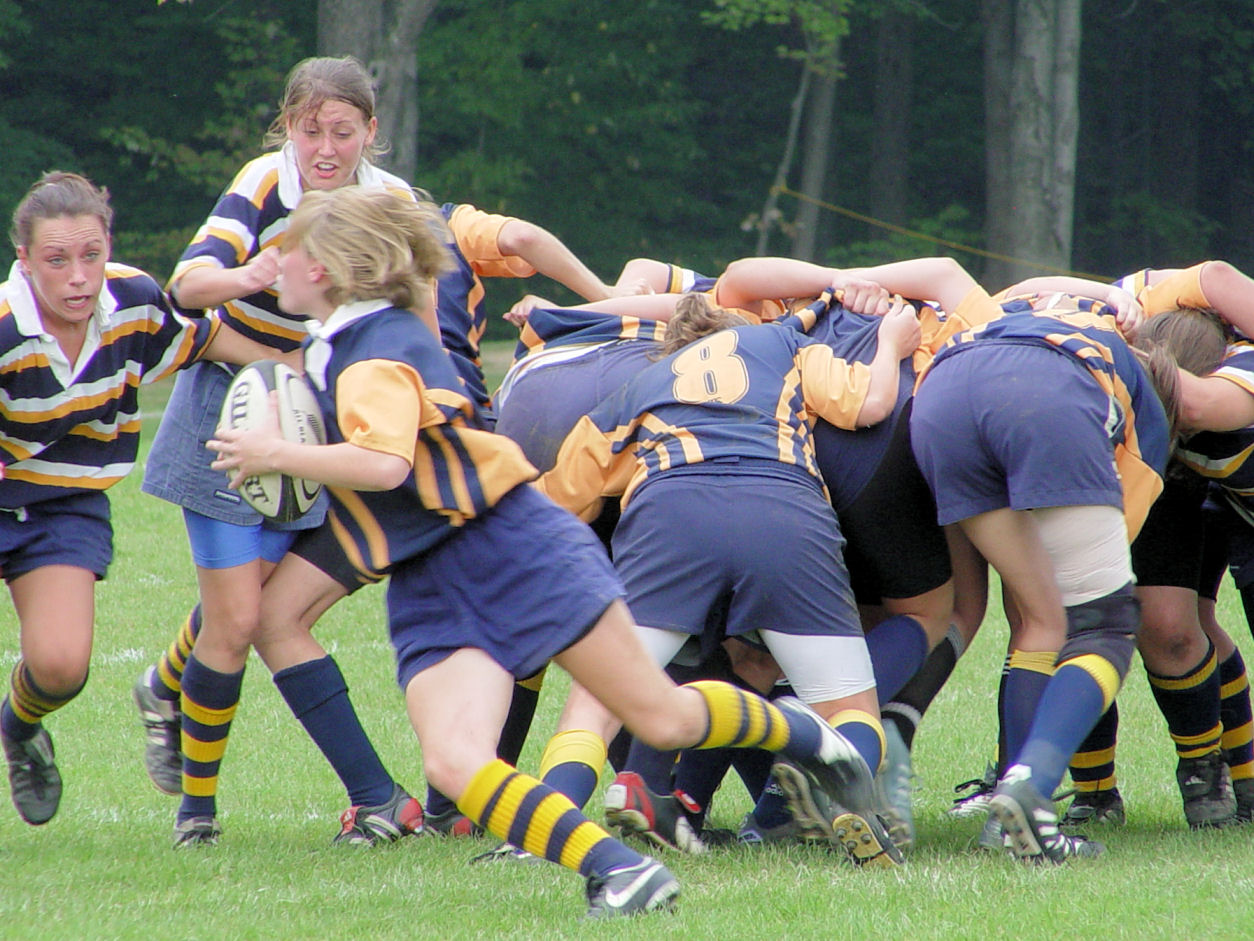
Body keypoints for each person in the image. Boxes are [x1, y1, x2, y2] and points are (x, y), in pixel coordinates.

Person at [205, 184, 887, 918]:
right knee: (454, 761)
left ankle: (808, 735)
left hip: (510, 545)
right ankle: (620, 871)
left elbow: (386, 465)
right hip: (431, 572)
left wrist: (277, 453)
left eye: (288, 249)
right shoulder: (352, 333)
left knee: (660, 717)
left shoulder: (374, 352)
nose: (273, 263)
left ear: (326, 266)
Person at [134, 55, 421, 846]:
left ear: (371, 131)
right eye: (309, 129)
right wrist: (249, 275)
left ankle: (164, 683)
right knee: (236, 619)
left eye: (343, 131)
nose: (325, 148)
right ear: (287, 127)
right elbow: (186, 286)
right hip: (230, 409)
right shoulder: (264, 183)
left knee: (251, 598)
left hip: (310, 421)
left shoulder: (391, 201)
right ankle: (196, 813)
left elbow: (417, 300)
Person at [534, 286, 922, 867]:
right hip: (783, 509)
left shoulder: (639, 385)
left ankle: (547, 828)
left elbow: (562, 501)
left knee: (594, 706)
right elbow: (868, 404)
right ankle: (848, 797)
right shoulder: (785, 342)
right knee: (849, 708)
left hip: (669, 516)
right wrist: (890, 345)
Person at [884, 256, 1223, 861]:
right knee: (1104, 625)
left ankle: (1006, 818)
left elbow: (1034, 282)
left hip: (940, 393)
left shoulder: (1048, 302)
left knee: (1040, 619)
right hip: (1047, 392)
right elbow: (1100, 577)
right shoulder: (1143, 400)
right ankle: (1030, 789)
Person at [0, 171, 299, 826]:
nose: (79, 277)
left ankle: (18, 727)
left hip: (60, 503)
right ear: (24, 260)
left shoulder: (133, 301)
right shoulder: (4, 329)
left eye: (91, 255)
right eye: (57, 260)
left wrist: (288, 372)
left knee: (61, 668)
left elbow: (203, 339)